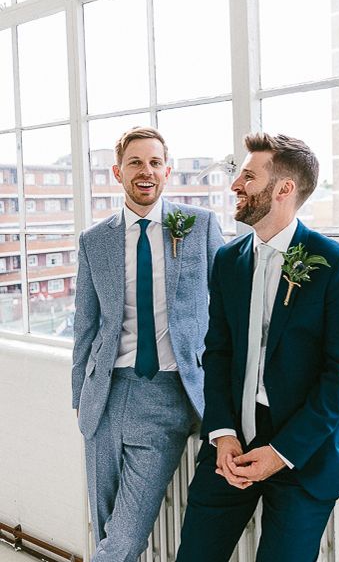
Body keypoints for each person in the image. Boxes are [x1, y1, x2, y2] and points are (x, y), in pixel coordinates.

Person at [176, 133, 339, 562]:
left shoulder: (336, 264)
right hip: (234, 440)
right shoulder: (228, 260)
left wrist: (283, 453)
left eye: (248, 176)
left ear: (284, 189)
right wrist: (223, 434)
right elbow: (219, 352)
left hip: (305, 448)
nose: (235, 186)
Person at [72, 126, 223, 561]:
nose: (146, 171)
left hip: (166, 396)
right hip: (104, 396)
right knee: (104, 527)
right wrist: (80, 395)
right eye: (136, 162)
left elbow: (226, 306)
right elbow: (86, 324)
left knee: (124, 539)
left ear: (167, 171)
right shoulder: (93, 241)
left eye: (155, 162)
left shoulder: (198, 226)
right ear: (118, 172)